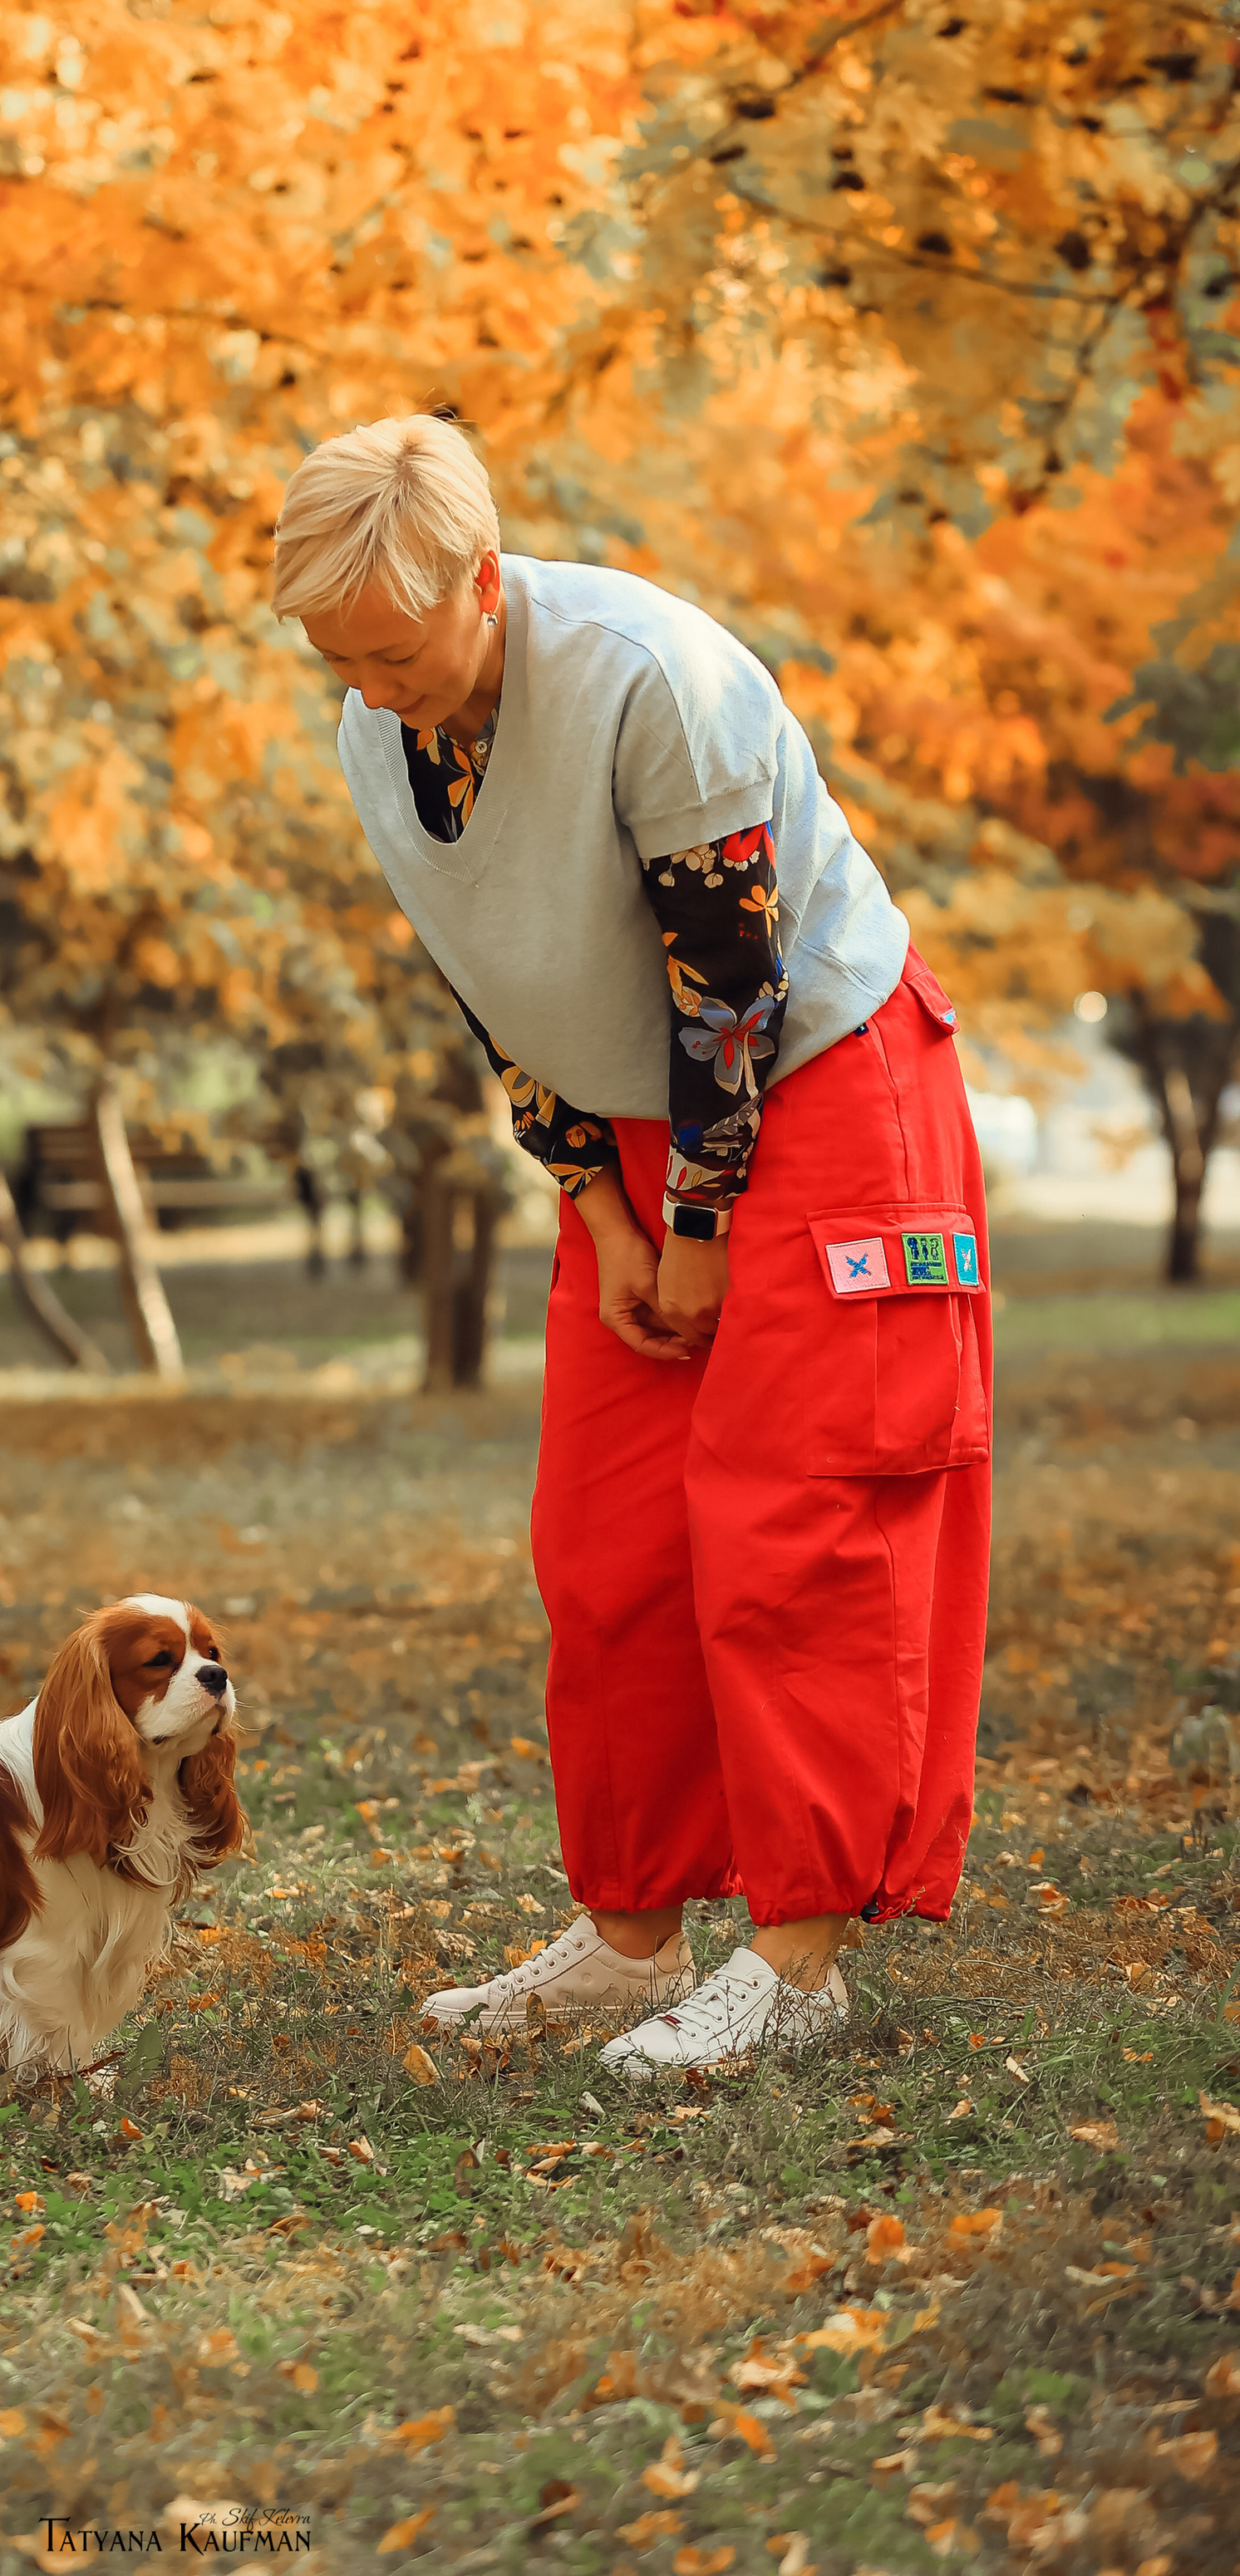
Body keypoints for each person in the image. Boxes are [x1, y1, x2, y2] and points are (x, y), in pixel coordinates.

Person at [272, 415, 991, 2079]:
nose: (372, 687)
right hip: (633, 1124)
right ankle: (626, 1936)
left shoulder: (647, 676)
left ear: (476, 577)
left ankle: (798, 1964)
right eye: (335, 659)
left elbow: (728, 982)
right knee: (605, 1545)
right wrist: (596, 1214)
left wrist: (697, 1224)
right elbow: (495, 992)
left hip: (809, 1078)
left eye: (393, 648)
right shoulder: (374, 737)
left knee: (793, 1520)